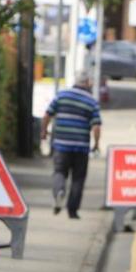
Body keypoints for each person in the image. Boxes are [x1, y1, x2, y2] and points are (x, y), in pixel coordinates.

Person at [40, 76, 102, 219]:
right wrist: (96, 144)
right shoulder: (91, 101)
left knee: (59, 172)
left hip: (61, 144)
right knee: (78, 178)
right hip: (81, 147)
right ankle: (72, 211)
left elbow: (47, 115)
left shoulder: (62, 95)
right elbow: (96, 126)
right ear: (87, 84)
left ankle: (59, 191)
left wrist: (43, 132)